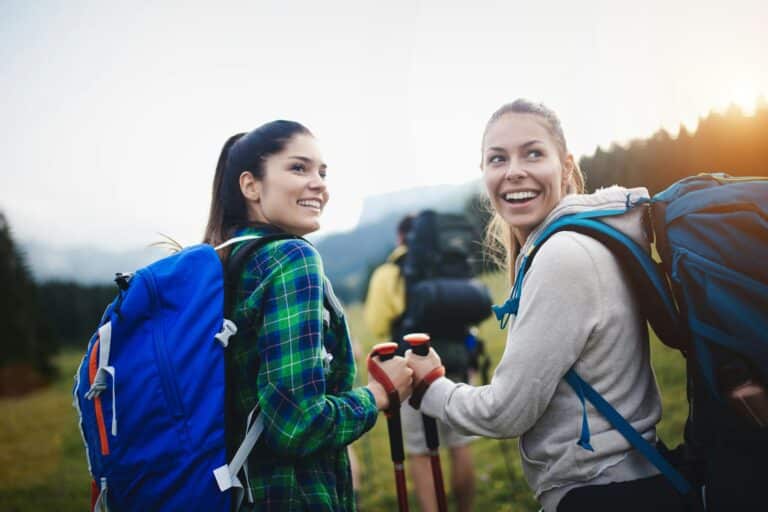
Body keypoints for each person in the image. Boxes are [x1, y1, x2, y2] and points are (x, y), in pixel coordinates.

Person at [405, 100, 688, 511]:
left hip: (602, 493)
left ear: (567, 167)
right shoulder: (586, 238)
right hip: (627, 479)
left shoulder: (563, 256)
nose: (513, 170)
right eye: (497, 158)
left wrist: (431, 387)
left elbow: (505, 412)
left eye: (533, 153)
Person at [203, 120, 412, 511]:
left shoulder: (225, 262)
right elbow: (296, 423)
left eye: (322, 172)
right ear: (250, 186)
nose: (319, 183)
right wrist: (379, 395)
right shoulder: (291, 258)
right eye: (299, 168)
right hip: (291, 495)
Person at [364, 215, 476, 512]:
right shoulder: (449, 266)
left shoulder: (389, 273)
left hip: (412, 375)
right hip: (456, 365)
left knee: (422, 453)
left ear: (401, 238)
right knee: (460, 446)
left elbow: (377, 323)